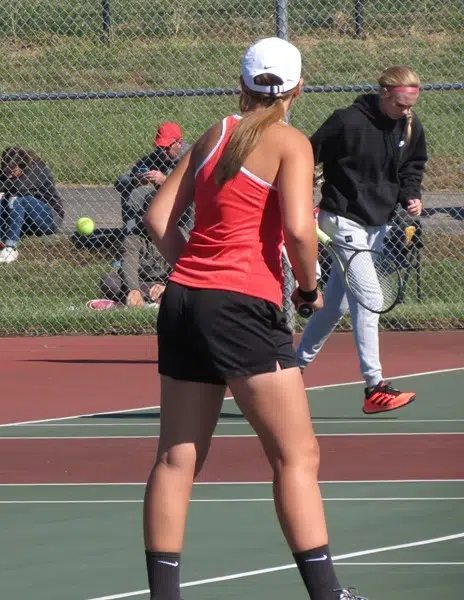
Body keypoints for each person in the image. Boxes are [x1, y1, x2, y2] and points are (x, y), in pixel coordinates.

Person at [141, 38, 364, 600]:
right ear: (297, 89)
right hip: (240, 305)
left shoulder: (214, 134)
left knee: (176, 457)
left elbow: (157, 216)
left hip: (184, 301)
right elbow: (296, 231)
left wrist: (193, 269)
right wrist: (309, 291)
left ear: (240, 84)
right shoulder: (291, 142)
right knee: (297, 454)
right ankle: (329, 595)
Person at [296, 66, 427, 414]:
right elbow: (306, 154)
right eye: (400, 104)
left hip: (377, 223)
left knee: (336, 306)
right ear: (384, 93)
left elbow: (411, 166)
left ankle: (291, 373)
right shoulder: (346, 121)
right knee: (370, 299)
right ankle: (375, 387)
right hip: (342, 220)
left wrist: (410, 195)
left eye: (411, 104)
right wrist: (302, 193)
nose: (406, 111)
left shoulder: (410, 126)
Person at [0, 147, 64, 263]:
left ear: (23, 166)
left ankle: (11, 247)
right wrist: (3, 183)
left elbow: (18, 187)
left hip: (49, 218)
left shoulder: (37, 169)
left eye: (13, 171)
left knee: (18, 198)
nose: (9, 175)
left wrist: (3, 184)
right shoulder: (8, 171)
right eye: (6, 171)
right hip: (25, 221)